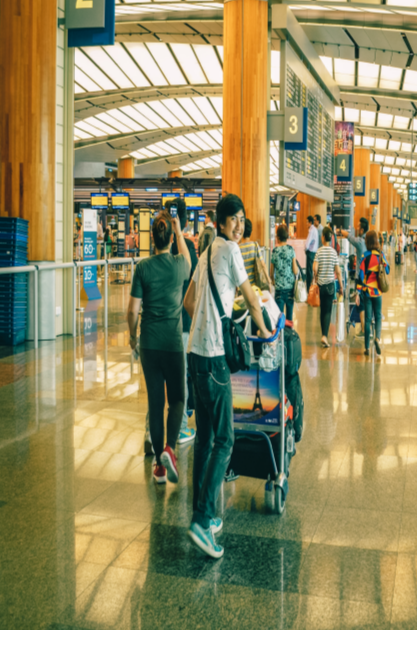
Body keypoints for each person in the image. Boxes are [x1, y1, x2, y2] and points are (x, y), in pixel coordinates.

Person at [183, 193, 273, 559]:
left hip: (194, 353)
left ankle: (201, 512)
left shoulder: (206, 253)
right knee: (224, 440)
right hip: (214, 357)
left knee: (205, 439)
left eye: (241, 218)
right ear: (221, 222)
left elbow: (188, 302)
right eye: (233, 218)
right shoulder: (232, 251)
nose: (239, 224)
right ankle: (202, 521)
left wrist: (208, 320)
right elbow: (251, 298)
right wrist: (266, 331)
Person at [126, 211, 191, 487]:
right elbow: (189, 261)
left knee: (155, 404)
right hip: (173, 344)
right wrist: (179, 231)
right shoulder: (179, 265)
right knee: (177, 399)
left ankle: (159, 468)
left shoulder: (142, 268)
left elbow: (132, 311)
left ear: (152, 238)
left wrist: (132, 337)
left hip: (149, 345)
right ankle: (170, 449)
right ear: (170, 238)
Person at [169, 199, 199, 445]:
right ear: (185, 220)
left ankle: (152, 432)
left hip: (162, 321)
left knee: (160, 380)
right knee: (181, 375)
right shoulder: (187, 246)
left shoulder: (160, 246)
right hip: (183, 320)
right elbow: (194, 277)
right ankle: (180, 428)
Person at [356, 230, 390, 357]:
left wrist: (358, 292)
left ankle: (366, 348)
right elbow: (387, 270)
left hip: (367, 292)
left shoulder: (364, 256)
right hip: (378, 292)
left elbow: (361, 276)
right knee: (378, 317)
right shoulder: (380, 255)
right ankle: (377, 339)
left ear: (367, 242)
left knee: (368, 319)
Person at [313, 226, 344, 348]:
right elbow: (338, 271)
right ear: (330, 238)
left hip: (321, 285)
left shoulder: (319, 251)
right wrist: (341, 286)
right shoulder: (333, 252)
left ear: (322, 237)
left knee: (322, 310)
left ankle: (324, 335)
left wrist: (316, 276)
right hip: (331, 285)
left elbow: (314, 268)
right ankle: (324, 336)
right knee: (328, 311)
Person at [271, 223, 298, 321]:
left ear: (278, 237)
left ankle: (281, 331)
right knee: (289, 319)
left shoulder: (274, 251)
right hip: (290, 288)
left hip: (279, 289)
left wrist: (274, 281)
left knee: (279, 319)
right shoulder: (291, 250)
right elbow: (295, 271)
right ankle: (289, 331)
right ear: (287, 236)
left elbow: (271, 273)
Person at [237, 218, 258, 283]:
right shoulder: (255, 245)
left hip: (242, 285)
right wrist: (269, 281)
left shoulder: (237, 248)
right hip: (254, 285)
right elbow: (263, 264)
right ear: (251, 232)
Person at [305, 215, 319, 291]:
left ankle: (308, 289)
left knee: (309, 272)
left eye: (307, 222)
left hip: (310, 252)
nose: (306, 223)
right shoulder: (315, 229)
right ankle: (311, 288)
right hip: (314, 253)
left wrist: (305, 249)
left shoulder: (311, 230)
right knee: (312, 271)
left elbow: (307, 243)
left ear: (310, 222)